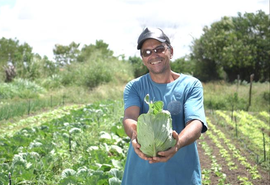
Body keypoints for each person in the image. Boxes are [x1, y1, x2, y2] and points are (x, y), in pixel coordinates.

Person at [121, 27, 208, 185]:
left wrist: (177, 144)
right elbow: (129, 117)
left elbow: (196, 123)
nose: (153, 55)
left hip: (181, 176)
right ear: (142, 58)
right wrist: (135, 135)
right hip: (141, 177)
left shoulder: (191, 85)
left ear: (171, 51)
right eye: (146, 52)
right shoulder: (134, 87)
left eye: (159, 49)